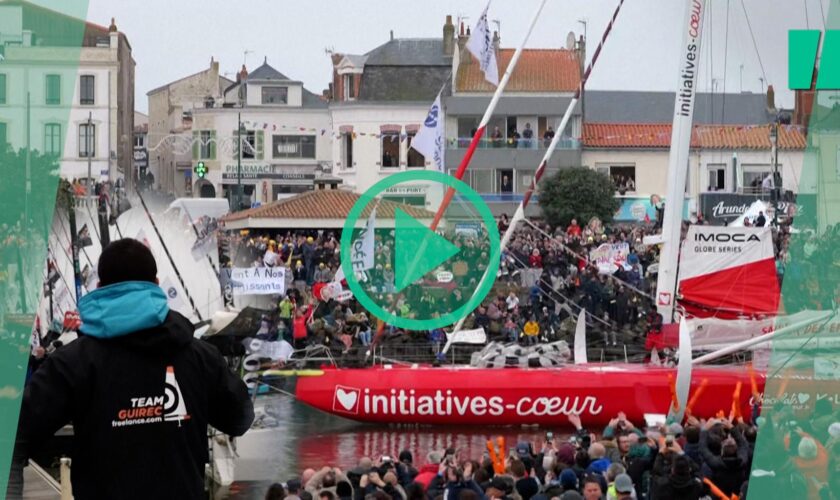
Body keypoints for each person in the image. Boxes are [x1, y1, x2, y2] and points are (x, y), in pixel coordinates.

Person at [15, 239, 254, 499]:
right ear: (156, 285)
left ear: (99, 288)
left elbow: (14, 437)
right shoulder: (200, 357)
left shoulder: (72, 362)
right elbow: (240, 419)